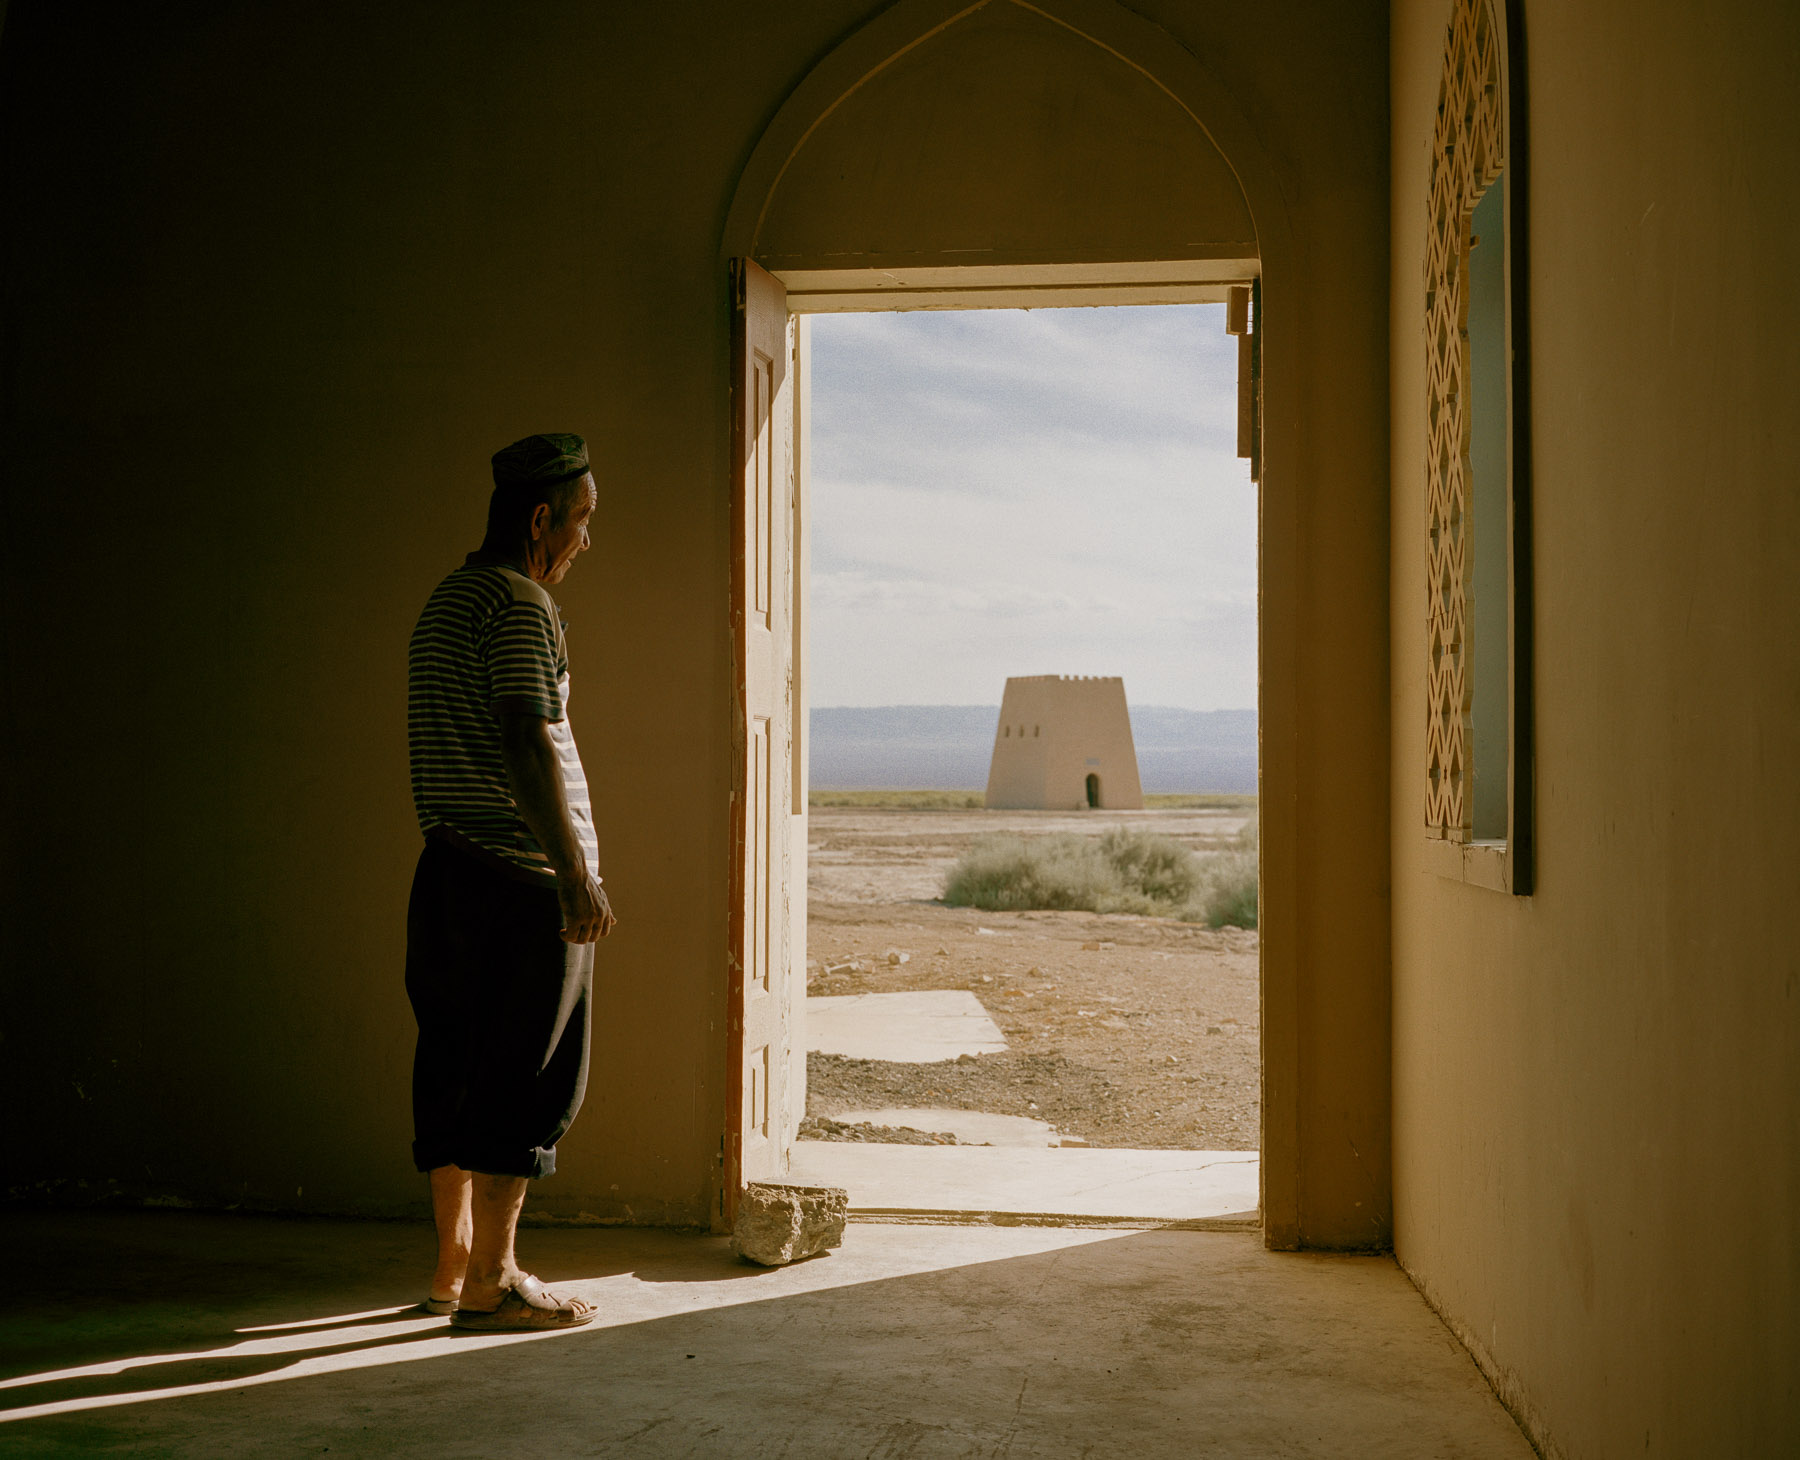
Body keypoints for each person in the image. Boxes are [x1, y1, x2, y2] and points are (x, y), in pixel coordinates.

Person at [404, 432, 617, 1332]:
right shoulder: (523, 605)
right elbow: (526, 739)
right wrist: (573, 875)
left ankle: (453, 1267)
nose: (586, 541)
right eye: (582, 520)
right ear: (541, 518)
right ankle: (495, 1281)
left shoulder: (447, 600)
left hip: (446, 868)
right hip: (521, 883)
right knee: (528, 1077)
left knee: (451, 1060)